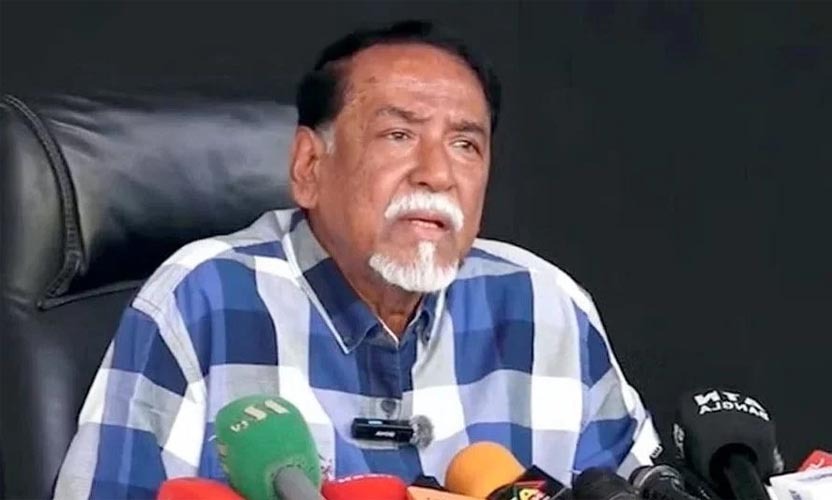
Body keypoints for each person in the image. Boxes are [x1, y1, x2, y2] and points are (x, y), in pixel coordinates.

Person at [54, 19, 659, 499]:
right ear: (309, 167)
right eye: (399, 135)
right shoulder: (201, 299)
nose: (437, 173)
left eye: (465, 144)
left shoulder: (546, 307)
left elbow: (634, 481)